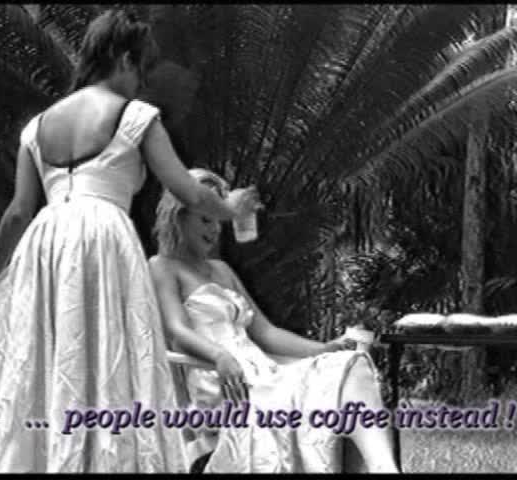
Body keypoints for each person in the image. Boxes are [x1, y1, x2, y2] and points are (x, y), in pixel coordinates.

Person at [0, 10, 260, 473]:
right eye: (140, 70)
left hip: (46, 243)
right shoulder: (136, 117)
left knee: (47, 356)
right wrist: (232, 208)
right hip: (103, 239)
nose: (140, 84)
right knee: (106, 355)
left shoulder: (37, 128)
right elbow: (190, 192)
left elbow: (18, 212)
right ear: (122, 59)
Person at [149, 168, 399, 473]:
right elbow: (175, 329)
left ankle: (385, 468)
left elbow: (266, 332)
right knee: (338, 381)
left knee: (350, 362)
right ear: (178, 217)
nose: (214, 230)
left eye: (217, 221)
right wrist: (219, 356)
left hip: (262, 371)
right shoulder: (163, 267)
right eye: (205, 219)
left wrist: (323, 349)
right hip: (223, 383)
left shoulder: (222, 270)